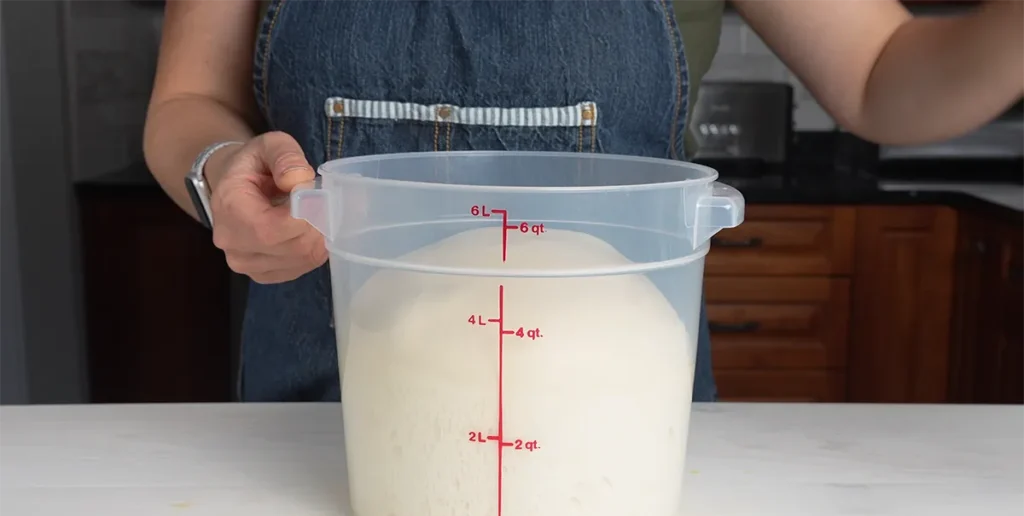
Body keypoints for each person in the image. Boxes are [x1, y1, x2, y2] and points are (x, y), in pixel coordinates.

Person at [144, 0, 1024, 403]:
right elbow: (188, 104)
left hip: (614, 429)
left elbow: (881, 75)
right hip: (320, 428)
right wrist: (219, 167)